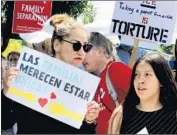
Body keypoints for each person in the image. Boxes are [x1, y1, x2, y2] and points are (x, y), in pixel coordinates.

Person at [1, 14, 99, 134]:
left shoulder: (85, 86)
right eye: (76, 45)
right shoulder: (32, 73)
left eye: (86, 47)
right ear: (57, 45)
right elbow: (5, 122)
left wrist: (89, 120)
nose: (82, 52)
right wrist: (6, 91)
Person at [108, 53, 177, 134]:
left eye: (147, 74)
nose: (140, 80)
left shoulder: (173, 116)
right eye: (136, 74)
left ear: (161, 80)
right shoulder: (121, 114)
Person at [83, 32, 132, 134]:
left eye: (86, 48)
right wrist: (90, 119)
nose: (82, 54)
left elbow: (144, 102)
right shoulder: (99, 79)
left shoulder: (116, 69)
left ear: (100, 51)